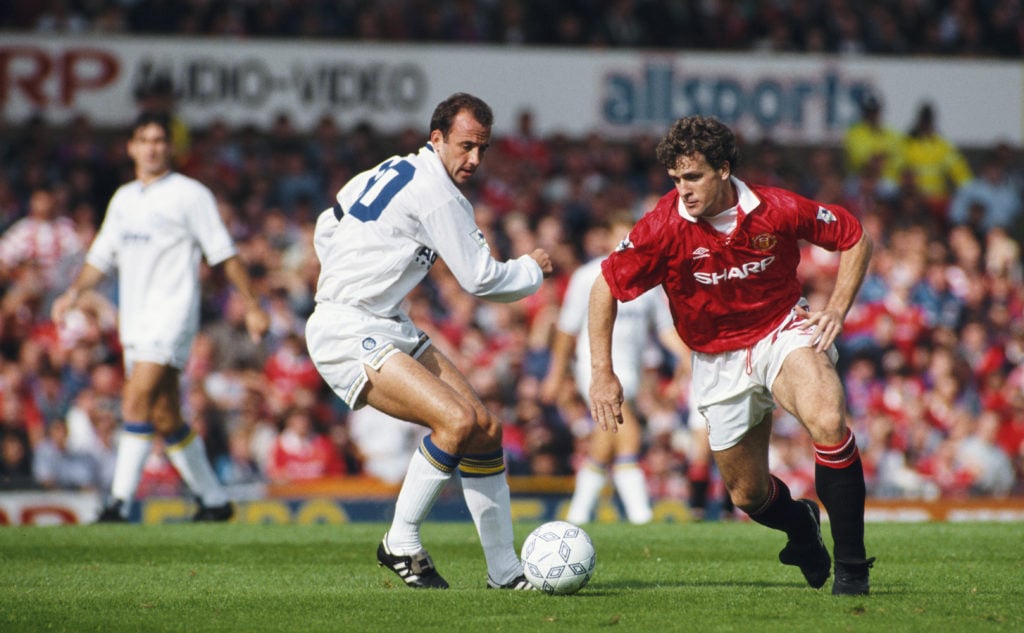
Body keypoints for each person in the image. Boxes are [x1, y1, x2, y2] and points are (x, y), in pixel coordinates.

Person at [587, 116, 875, 595]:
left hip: (781, 330)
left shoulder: (776, 207)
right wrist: (602, 372)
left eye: (693, 176)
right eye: (676, 179)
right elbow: (605, 288)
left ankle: (852, 570)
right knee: (748, 494)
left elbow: (854, 235)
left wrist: (838, 308)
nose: (684, 190)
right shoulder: (662, 225)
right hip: (715, 358)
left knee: (827, 416)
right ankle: (801, 525)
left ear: (723, 169)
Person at [306, 93, 552, 590]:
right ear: (436, 138)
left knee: (484, 428)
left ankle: (505, 572)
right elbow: (482, 279)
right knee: (456, 421)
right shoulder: (438, 193)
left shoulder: (390, 170)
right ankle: (401, 541)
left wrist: (356, 272)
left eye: (483, 148)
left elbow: (327, 224)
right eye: (465, 146)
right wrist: (532, 269)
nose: (475, 160)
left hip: (382, 320)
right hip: (348, 328)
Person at [51, 111, 269, 523]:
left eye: (159, 140)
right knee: (165, 414)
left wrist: (254, 305)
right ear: (132, 147)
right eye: (144, 140)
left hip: (171, 316)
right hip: (134, 322)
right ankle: (214, 500)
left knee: (135, 400)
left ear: (170, 147)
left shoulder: (190, 194)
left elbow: (224, 253)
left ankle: (117, 503)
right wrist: (74, 293)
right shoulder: (124, 200)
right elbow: (100, 257)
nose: (152, 147)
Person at [541, 211, 686, 525]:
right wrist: (555, 374)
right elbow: (567, 332)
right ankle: (640, 515)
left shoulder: (650, 282)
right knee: (629, 434)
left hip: (630, 376)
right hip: (597, 371)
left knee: (607, 440)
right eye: (621, 236)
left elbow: (665, 330)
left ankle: (579, 513)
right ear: (608, 239)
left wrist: (687, 357)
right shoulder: (588, 277)